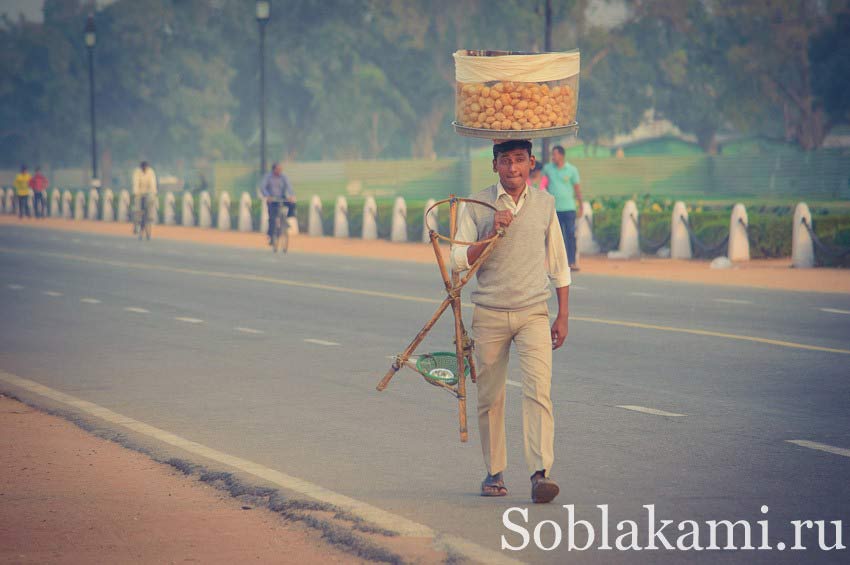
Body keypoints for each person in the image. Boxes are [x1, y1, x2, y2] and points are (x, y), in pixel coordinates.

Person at [450, 139, 571, 504]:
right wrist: (491, 232)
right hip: (488, 312)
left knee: (538, 390)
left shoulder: (546, 205)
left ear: (532, 163)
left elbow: (559, 264)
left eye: (520, 160)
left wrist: (562, 314)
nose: (513, 168)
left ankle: (540, 473)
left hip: (534, 311)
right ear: (494, 165)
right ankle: (494, 471)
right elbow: (458, 259)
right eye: (506, 160)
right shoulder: (477, 205)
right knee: (491, 396)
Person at [541, 145, 582, 270]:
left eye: (555, 154)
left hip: (569, 208)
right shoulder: (548, 169)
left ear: (562, 155)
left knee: (570, 234)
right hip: (554, 209)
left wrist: (580, 205)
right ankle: (558, 263)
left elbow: (577, 189)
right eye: (552, 154)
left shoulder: (572, 170)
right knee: (557, 237)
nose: (553, 157)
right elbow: (542, 184)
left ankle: (572, 262)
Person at [258, 162, 296, 244]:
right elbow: (263, 187)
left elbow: (289, 186)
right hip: (272, 199)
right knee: (272, 218)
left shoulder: (283, 177)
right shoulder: (268, 177)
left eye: (281, 169)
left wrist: (291, 196)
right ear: (274, 169)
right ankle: (271, 236)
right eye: (278, 169)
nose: (280, 171)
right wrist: (267, 196)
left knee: (292, 203)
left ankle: (287, 218)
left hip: (281, 197)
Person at [131, 161, 157, 234]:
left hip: (148, 193)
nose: (144, 169)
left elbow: (153, 183)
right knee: (137, 209)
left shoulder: (151, 172)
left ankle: (150, 220)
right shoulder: (137, 172)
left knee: (151, 206)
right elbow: (135, 183)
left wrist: (153, 192)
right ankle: (136, 225)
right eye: (143, 167)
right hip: (139, 193)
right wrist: (135, 193)